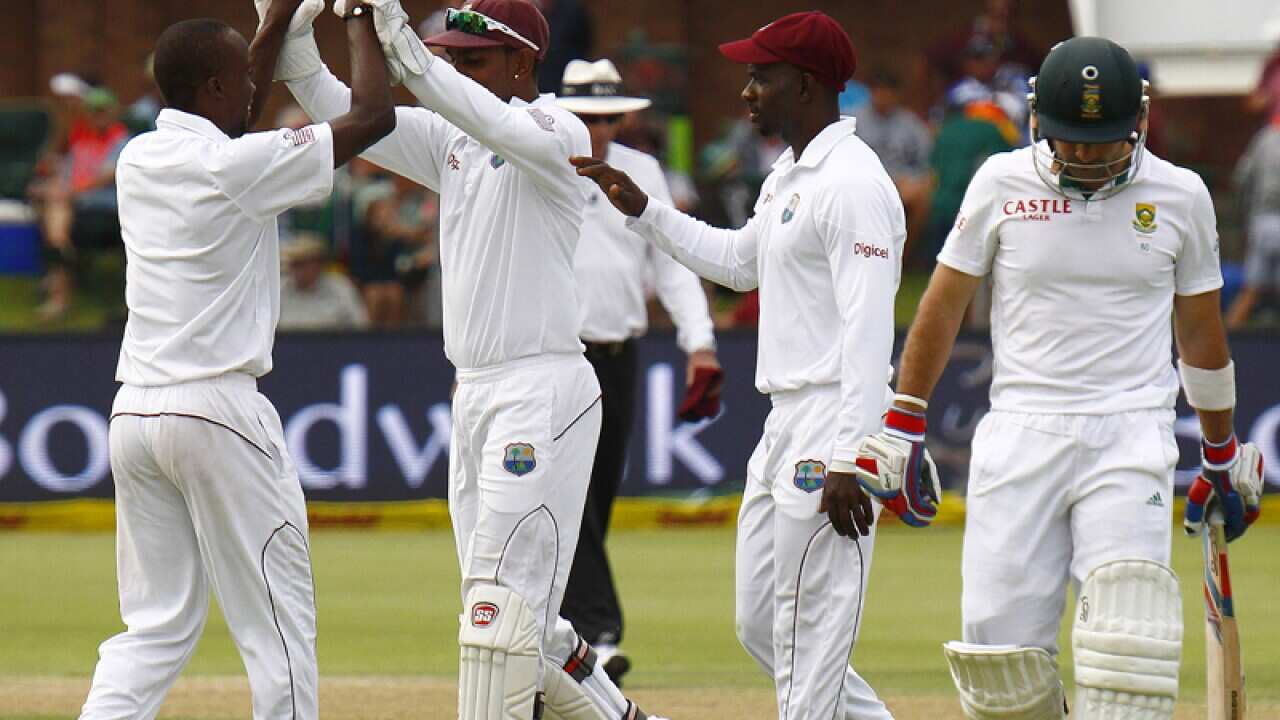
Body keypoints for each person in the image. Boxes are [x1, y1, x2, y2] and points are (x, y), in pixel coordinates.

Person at [263, 1, 666, 717]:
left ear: (523, 62)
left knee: (494, 622)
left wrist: (395, 35)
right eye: (452, 60)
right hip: (476, 393)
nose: (457, 73)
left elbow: (487, 117)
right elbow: (331, 102)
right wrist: (291, 27)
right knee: (522, 623)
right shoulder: (454, 141)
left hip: (541, 390)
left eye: (474, 60)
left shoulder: (558, 131)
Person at [852, 37, 1265, 719]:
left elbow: (1200, 333)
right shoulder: (1000, 182)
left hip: (1130, 434)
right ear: (1038, 119)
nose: (1086, 157)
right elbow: (944, 302)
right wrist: (903, 420)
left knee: (1128, 653)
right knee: (1000, 668)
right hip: (1020, 432)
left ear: (1139, 120)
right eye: (1072, 141)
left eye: (1102, 143)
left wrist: (1220, 453)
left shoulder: (1181, 196)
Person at [574, 12, 929, 720]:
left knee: (810, 632)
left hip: (832, 417)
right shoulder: (789, 175)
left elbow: (867, 330)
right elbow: (740, 264)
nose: (746, 91)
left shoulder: (853, 185)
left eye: (760, 76)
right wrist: (646, 212)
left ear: (803, 84)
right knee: (763, 624)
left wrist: (852, 455)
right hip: (786, 419)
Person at [77, 3, 395, 718]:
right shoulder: (233, 164)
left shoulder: (141, 157)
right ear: (217, 90)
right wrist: (363, 20)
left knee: (153, 627)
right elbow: (374, 119)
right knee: (278, 623)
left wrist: (280, 12)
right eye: (242, 82)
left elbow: (231, 109)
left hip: (135, 410)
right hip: (217, 409)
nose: (257, 88)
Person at [554, 57, 721, 684]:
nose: (597, 132)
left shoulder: (643, 169)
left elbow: (672, 263)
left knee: (597, 496)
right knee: (571, 500)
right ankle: (598, 630)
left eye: (607, 118)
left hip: (621, 354)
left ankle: (564, 631)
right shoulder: (539, 159)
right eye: (585, 117)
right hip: (561, 354)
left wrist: (698, 342)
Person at [854, 67, 932, 255]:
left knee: (921, 197)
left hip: (899, 183)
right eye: (879, 90)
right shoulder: (853, 119)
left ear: (896, 94)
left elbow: (925, 164)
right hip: (863, 181)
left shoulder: (910, 123)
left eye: (888, 91)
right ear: (871, 92)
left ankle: (901, 258)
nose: (883, 95)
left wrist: (914, 180)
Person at [1226, 117, 1280, 329]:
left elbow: (1241, 178)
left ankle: (1230, 344)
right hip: (1267, 217)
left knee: (1251, 289)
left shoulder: (1264, 138)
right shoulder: (1266, 137)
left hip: (1263, 220)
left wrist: (1245, 217)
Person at [279, 233, 371, 330]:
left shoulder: (341, 288)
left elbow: (361, 325)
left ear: (318, 263)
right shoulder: (279, 291)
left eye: (301, 263)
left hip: (334, 344)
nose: (296, 269)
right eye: (293, 264)